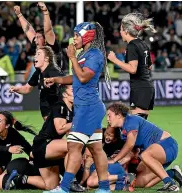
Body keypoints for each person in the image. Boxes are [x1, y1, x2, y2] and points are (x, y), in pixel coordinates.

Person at [44, 22, 111, 193]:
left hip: (88, 108)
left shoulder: (94, 55)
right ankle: (104, 189)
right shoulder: (85, 54)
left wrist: (72, 57)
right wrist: (56, 80)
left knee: (73, 146)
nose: (73, 39)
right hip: (87, 107)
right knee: (96, 148)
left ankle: (64, 188)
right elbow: (75, 77)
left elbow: (83, 78)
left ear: (87, 36)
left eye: (76, 35)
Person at [5, 85, 85, 192]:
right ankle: (70, 181)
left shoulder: (72, 109)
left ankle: (20, 178)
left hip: (49, 148)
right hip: (43, 145)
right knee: (73, 146)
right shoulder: (59, 106)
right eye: (73, 90)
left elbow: (68, 133)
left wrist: (78, 154)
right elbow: (60, 129)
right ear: (64, 95)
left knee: (51, 186)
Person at [106, 102, 181, 192]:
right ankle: (172, 173)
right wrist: (124, 160)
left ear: (118, 115)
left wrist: (115, 160)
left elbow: (130, 144)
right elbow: (134, 149)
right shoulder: (123, 131)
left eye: (109, 116)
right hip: (156, 153)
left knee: (145, 155)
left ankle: (171, 185)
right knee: (142, 183)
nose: (107, 119)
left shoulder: (130, 120)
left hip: (167, 145)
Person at [107, 12, 156, 120]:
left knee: (135, 127)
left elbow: (133, 69)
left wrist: (115, 60)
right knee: (140, 125)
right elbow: (149, 66)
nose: (120, 32)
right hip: (147, 86)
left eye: (120, 29)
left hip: (140, 88)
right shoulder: (143, 44)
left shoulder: (132, 46)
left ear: (126, 31)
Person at [10, 46, 64, 120]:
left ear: (46, 58)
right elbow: (27, 88)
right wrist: (16, 89)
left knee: (58, 129)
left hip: (56, 106)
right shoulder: (38, 73)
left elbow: (63, 82)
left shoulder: (53, 71)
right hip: (45, 107)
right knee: (51, 130)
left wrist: (54, 81)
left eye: (38, 54)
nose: (35, 56)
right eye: (35, 54)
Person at [14, 2, 62, 67]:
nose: (35, 39)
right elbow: (28, 30)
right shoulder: (36, 42)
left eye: (38, 37)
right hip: (41, 72)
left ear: (44, 38)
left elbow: (48, 30)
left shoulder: (50, 42)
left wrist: (45, 12)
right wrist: (19, 15)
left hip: (54, 73)